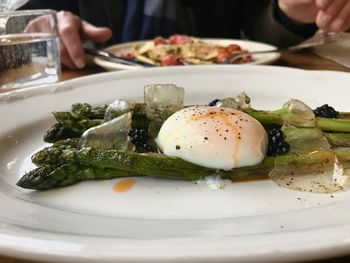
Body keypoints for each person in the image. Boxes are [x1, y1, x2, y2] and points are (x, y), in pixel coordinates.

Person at [22, 0, 350, 69]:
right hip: (89, 83)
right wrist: (42, 26)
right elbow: (27, 18)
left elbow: (256, 34)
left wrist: (289, 12)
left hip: (224, 95)